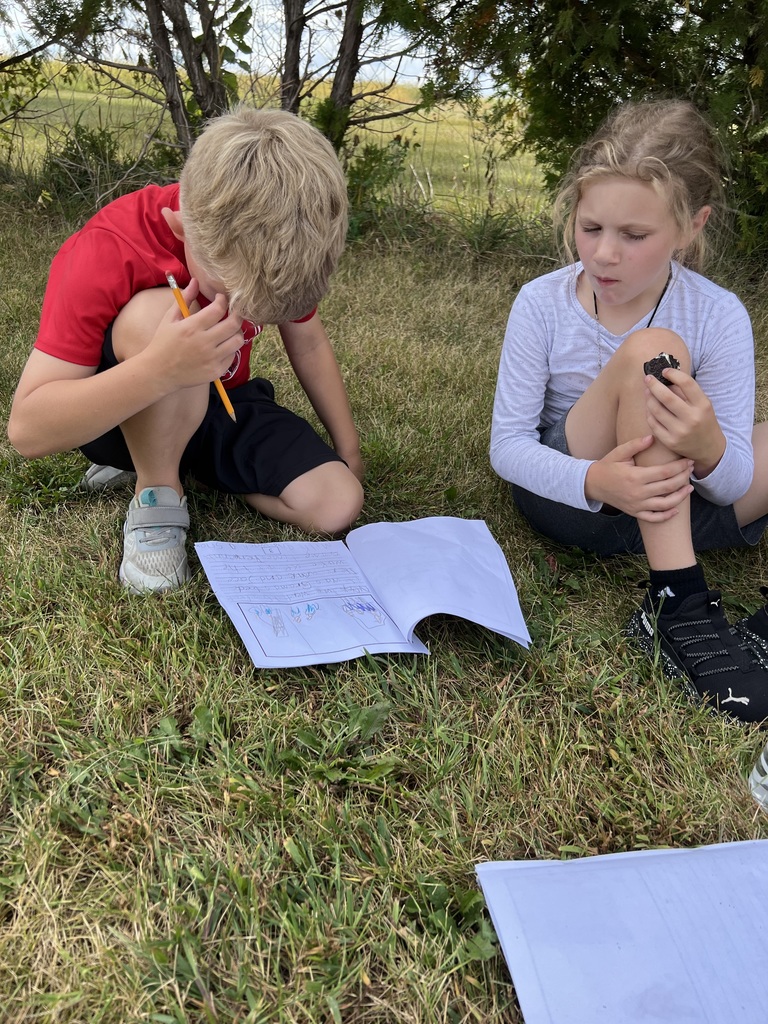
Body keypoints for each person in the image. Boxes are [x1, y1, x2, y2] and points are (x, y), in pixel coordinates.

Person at [490, 98, 768, 724]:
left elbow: (732, 480)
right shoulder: (541, 303)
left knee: (732, 432)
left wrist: (709, 447)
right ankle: (679, 602)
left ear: (693, 226)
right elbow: (506, 447)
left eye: (635, 236)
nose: (604, 254)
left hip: (680, 500)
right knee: (656, 353)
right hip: (580, 499)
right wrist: (595, 479)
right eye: (591, 228)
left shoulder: (720, 313)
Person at [8, 107, 364, 594]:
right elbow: (28, 431)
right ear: (180, 228)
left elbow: (310, 342)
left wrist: (349, 450)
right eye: (231, 296)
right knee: (160, 315)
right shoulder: (108, 248)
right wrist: (161, 369)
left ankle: (187, 466)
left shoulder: (280, 247)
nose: (245, 316)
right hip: (126, 404)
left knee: (335, 504)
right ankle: (156, 489)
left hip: (223, 400)